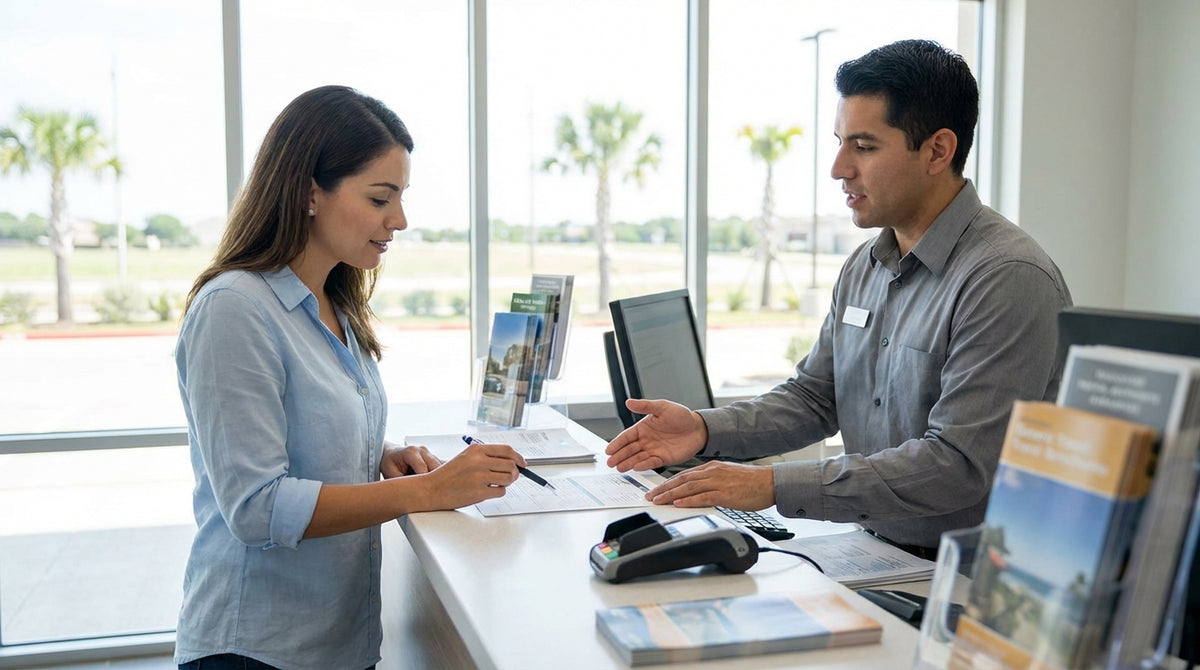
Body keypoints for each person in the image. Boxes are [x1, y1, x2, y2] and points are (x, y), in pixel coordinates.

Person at [605, 39, 1073, 559]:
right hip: (874, 550)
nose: (838, 168)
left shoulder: (1006, 279)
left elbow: (957, 466)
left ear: (938, 150)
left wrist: (771, 486)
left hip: (961, 584)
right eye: (840, 142)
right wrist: (703, 427)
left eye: (864, 146)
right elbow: (816, 397)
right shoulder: (865, 265)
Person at [173, 85, 527, 670]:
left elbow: (303, 434)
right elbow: (257, 507)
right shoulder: (234, 308)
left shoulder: (334, 300)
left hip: (338, 643)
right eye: (380, 198)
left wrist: (378, 454)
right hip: (257, 650)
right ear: (310, 193)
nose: (401, 220)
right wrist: (428, 492)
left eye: (401, 197)